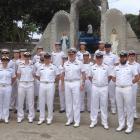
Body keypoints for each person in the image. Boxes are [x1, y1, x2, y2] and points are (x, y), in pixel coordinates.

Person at [111, 50, 139, 134]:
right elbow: (113, 77)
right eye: (121, 57)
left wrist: (130, 83)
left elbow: (137, 77)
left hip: (127, 89)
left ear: (126, 58)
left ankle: (129, 126)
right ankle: (121, 124)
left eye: (124, 57)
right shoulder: (116, 67)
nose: (122, 58)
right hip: (118, 89)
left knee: (129, 108)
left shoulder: (131, 67)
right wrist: (119, 82)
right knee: (120, 107)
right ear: (120, 58)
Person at [61, 48, 85, 128]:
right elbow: (63, 74)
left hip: (76, 82)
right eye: (70, 54)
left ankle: (77, 121)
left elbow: (83, 74)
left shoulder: (79, 63)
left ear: (75, 54)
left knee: (76, 102)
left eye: (72, 54)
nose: (71, 56)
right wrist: (62, 85)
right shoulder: (65, 63)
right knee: (68, 102)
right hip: (67, 82)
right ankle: (69, 119)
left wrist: (82, 84)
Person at [88, 52, 110, 130]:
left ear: (102, 58)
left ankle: (104, 122)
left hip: (104, 87)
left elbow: (109, 77)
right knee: (94, 104)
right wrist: (95, 83)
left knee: (104, 104)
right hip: (95, 87)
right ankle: (93, 121)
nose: (99, 59)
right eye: (98, 58)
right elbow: (90, 77)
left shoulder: (107, 67)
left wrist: (104, 83)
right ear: (95, 59)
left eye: (100, 58)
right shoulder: (92, 67)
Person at [36, 53, 60, 125]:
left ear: (50, 59)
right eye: (45, 58)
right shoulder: (40, 67)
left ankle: (49, 118)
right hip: (42, 84)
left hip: (50, 84)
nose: (47, 60)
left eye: (48, 58)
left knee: (50, 102)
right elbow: (37, 75)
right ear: (44, 59)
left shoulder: (54, 67)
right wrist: (42, 80)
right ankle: (41, 118)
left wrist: (53, 82)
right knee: (41, 102)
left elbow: (58, 76)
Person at [17, 52, 35, 123]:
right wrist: (22, 80)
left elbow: (34, 74)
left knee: (31, 101)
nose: (27, 57)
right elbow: (18, 74)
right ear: (24, 57)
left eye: (28, 56)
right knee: (20, 101)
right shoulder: (20, 65)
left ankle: (31, 116)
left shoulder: (32, 65)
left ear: (30, 57)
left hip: (30, 84)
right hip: (22, 84)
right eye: (25, 56)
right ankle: (20, 116)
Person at [103, 43, 119, 114]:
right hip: (103, 77)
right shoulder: (102, 55)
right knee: (104, 94)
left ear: (110, 48)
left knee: (112, 94)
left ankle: (113, 108)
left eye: (108, 47)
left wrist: (113, 75)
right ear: (104, 48)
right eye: (106, 48)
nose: (107, 49)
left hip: (111, 77)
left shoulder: (114, 56)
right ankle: (104, 108)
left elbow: (116, 66)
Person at [0, 56, 16, 123]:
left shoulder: (11, 70)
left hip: (8, 87)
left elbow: (14, 78)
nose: (5, 62)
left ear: (8, 61)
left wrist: (9, 84)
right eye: (3, 60)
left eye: (6, 60)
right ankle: (0, 116)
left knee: (7, 102)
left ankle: (5, 117)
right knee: (0, 102)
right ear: (1, 61)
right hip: (0, 86)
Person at [127, 50, 140, 119]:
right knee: (126, 99)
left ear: (135, 57)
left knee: (133, 99)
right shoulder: (125, 64)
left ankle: (134, 113)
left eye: (133, 56)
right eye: (130, 56)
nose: (131, 57)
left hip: (134, 84)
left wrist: (138, 80)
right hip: (126, 84)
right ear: (128, 56)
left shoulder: (138, 65)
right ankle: (126, 112)